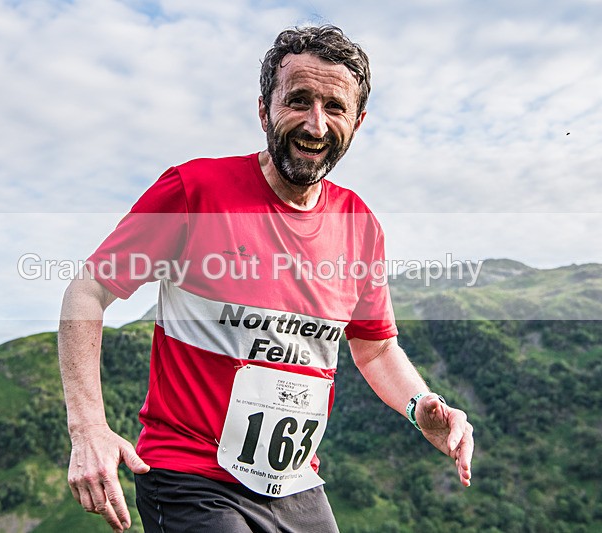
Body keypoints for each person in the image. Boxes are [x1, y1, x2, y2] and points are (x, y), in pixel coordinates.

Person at [59, 25, 474, 532]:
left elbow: (375, 348)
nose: (316, 124)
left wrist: (419, 406)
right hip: (191, 477)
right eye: (298, 101)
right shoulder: (195, 191)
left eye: (335, 107)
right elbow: (89, 290)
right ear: (264, 110)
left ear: (357, 122)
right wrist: (88, 427)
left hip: (296, 483)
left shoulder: (360, 225)